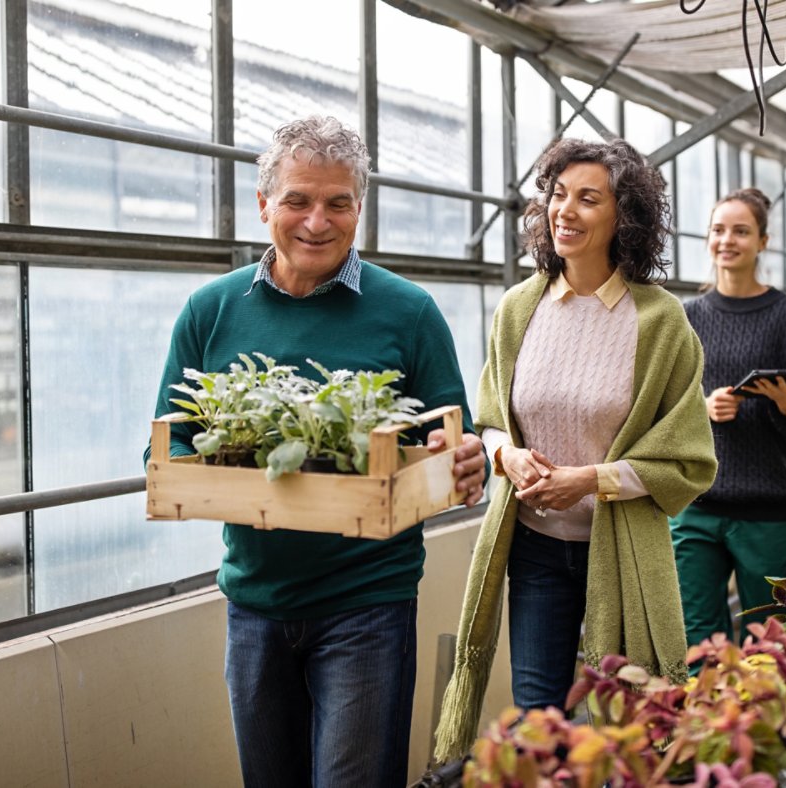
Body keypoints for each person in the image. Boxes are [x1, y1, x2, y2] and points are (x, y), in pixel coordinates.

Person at [146, 115, 486, 788]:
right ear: (264, 203)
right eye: (298, 200)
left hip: (368, 604)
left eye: (338, 203)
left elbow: (453, 441)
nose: (316, 221)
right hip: (254, 604)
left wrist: (460, 459)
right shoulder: (210, 311)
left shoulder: (408, 312)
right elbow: (171, 445)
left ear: (360, 208)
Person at [433, 138, 717, 762]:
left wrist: (592, 479)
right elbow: (489, 420)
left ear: (626, 217)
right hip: (534, 548)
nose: (565, 210)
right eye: (558, 195)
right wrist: (506, 455)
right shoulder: (519, 307)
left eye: (589, 198)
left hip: (620, 553)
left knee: (625, 722)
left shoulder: (660, 321)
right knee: (542, 719)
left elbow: (688, 459)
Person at [672, 187, 786, 647]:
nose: (727, 240)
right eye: (718, 230)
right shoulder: (685, 318)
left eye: (741, 231)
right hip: (693, 507)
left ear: (763, 241)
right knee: (698, 638)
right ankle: (713, 720)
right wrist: (700, 409)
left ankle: (772, 719)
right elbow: (657, 409)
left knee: (775, 639)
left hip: (769, 511)